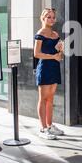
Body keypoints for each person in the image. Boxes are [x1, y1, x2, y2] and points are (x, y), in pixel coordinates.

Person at [34, 8, 64, 140]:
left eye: (53, 17)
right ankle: (43, 128)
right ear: (43, 18)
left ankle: (50, 125)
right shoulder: (40, 33)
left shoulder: (56, 34)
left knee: (51, 98)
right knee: (43, 99)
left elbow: (59, 54)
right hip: (45, 67)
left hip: (54, 67)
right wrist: (53, 57)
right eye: (48, 17)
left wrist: (60, 51)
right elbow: (36, 54)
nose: (51, 19)